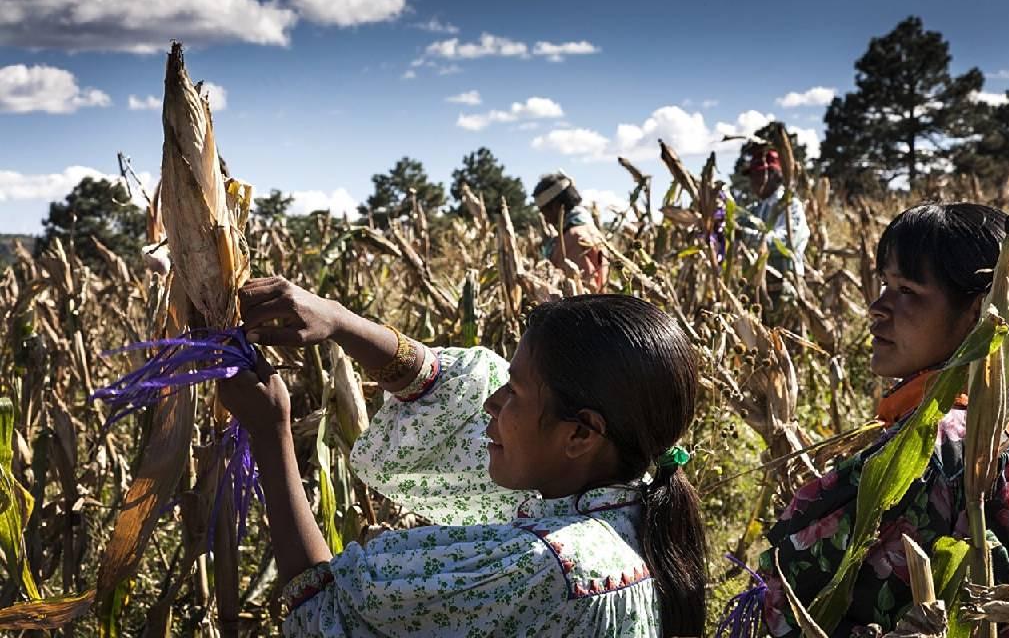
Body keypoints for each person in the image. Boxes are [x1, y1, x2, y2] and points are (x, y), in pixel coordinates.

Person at [218, 277, 708, 636]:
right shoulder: (633, 514)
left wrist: (271, 432)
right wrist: (339, 321)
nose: (490, 402)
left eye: (513, 391)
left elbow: (323, 615)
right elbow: (446, 397)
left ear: (580, 433)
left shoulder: (542, 565)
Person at [757, 203, 1009, 637]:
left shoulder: (929, 450)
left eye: (907, 290)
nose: (877, 308)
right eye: (883, 285)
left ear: (981, 312)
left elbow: (793, 592)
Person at [737, 147, 810, 299]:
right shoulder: (754, 210)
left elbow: (786, 242)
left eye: (757, 175)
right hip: (757, 291)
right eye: (752, 176)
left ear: (774, 175)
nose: (753, 181)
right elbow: (734, 224)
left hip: (785, 289)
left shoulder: (790, 206)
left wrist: (745, 236)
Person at [533, 171, 609, 291]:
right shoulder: (590, 230)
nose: (546, 220)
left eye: (544, 212)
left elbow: (586, 287)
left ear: (556, 206)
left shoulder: (574, 238)